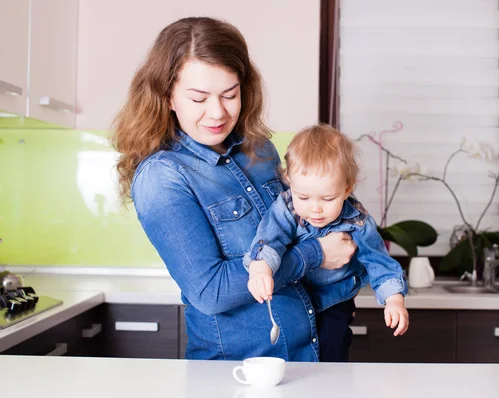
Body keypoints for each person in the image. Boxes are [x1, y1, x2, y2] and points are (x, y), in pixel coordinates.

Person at [111, 17, 357, 361]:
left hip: (317, 353)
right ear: (167, 96)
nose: (217, 112)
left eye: (230, 95)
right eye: (199, 98)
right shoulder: (162, 178)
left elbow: (296, 225)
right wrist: (316, 254)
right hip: (240, 369)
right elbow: (210, 291)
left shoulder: (260, 149)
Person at [244, 124, 409, 362]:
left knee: (332, 352)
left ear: (347, 188)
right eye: (304, 197)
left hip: (335, 301)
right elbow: (270, 239)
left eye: (328, 198)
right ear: (289, 181)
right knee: (292, 356)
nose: (316, 208)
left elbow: (379, 261)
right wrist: (261, 268)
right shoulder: (286, 208)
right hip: (294, 298)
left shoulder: (357, 221)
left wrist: (394, 299)